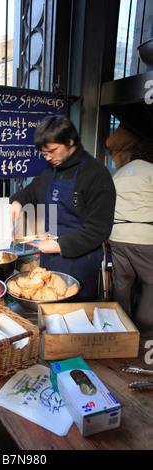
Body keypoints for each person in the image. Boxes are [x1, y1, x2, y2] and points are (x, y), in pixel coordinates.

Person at [10, 115, 116, 301]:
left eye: (52, 151)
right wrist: (18, 202)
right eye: (44, 153)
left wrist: (60, 245)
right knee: (48, 311)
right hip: (49, 258)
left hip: (80, 260)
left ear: (70, 141)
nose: (48, 157)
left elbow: (99, 229)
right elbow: (33, 191)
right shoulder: (52, 169)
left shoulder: (96, 174)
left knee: (76, 317)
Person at [106, 125, 153, 335]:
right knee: (151, 284)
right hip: (144, 238)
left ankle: (122, 329)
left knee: (122, 283)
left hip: (117, 237)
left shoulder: (118, 175)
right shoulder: (151, 172)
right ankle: (144, 331)